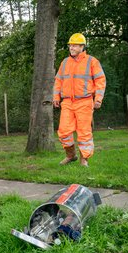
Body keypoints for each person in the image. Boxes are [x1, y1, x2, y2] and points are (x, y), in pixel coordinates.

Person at [52, 33, 106, 167]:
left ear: (82, 46)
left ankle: (84, 159)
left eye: (75, 45)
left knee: (84, 132)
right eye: (70, 45)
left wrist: (98, 98)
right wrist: (56, 97)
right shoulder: (65, 62)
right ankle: (71, 156)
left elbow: (100, 80)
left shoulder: (92, 61)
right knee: (64, 131)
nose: (72, 48)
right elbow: (58, 81)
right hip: (67, 102)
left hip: (85, 102)